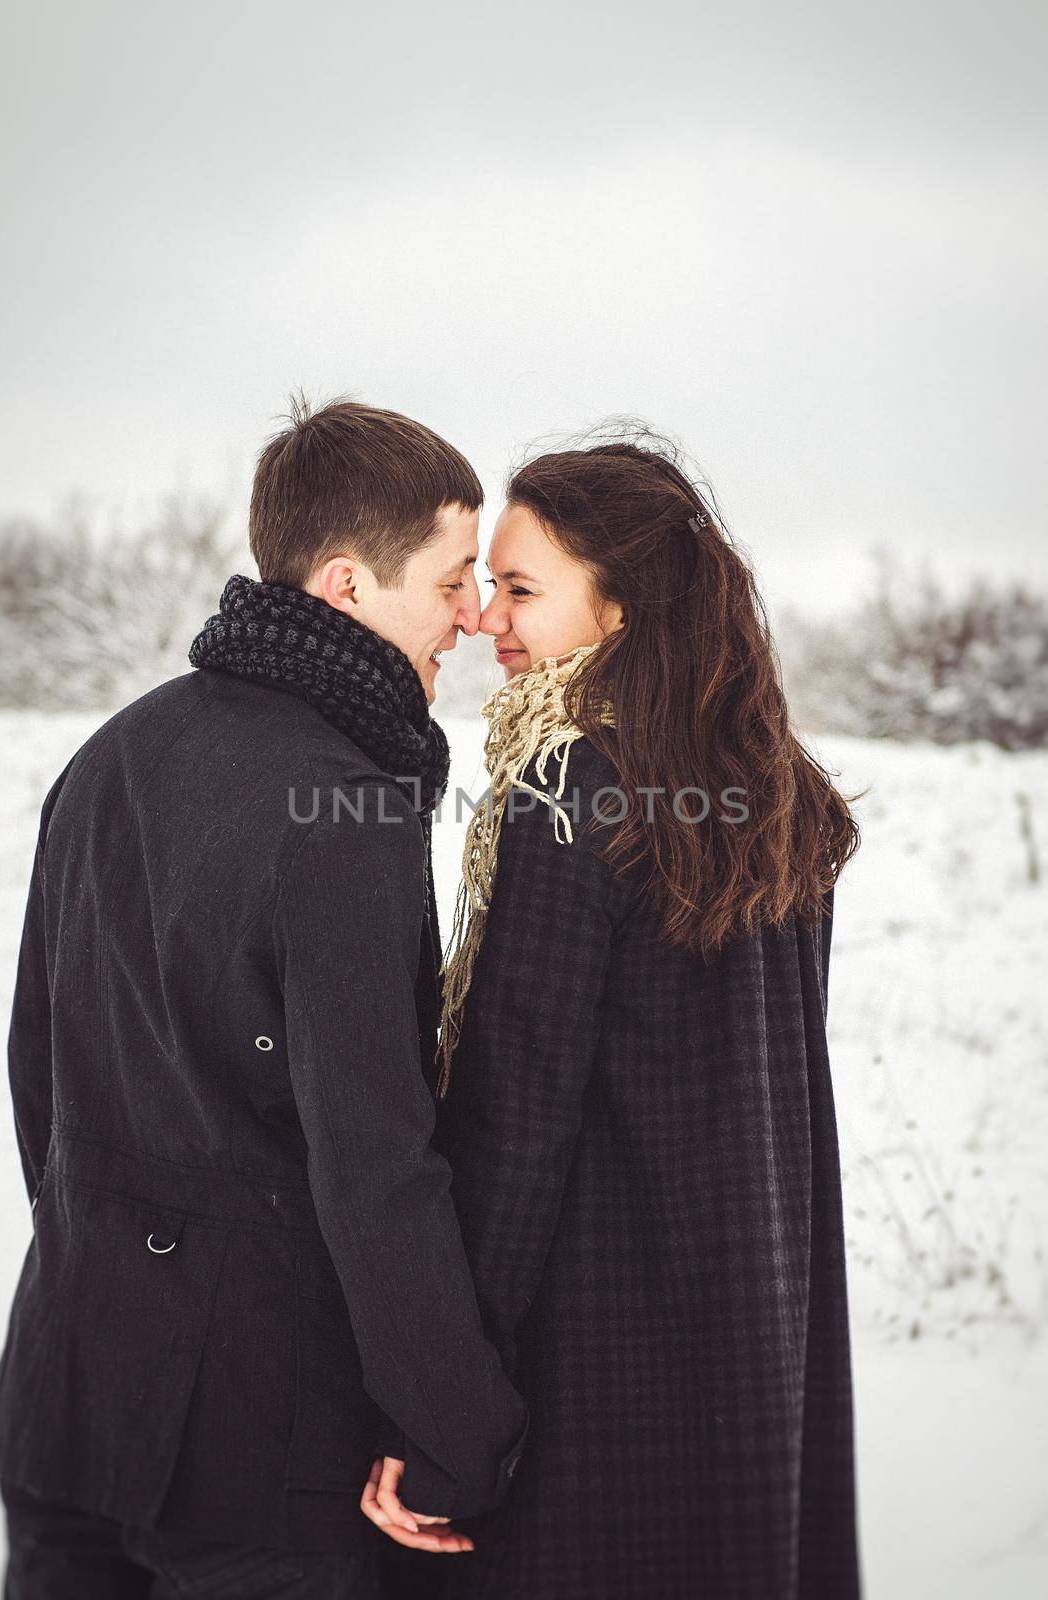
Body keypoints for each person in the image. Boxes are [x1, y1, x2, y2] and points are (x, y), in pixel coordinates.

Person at [0, 398, 527, 1598]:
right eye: (447, 583)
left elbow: (41, 1077)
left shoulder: (110, 752)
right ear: (344, 584)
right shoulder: (344, 810)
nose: (472, 622)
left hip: (68, 1395)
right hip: (252, 1457)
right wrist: (461, 1428)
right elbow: (375, 1163)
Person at [419, 435, 863, 1599]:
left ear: (618, 607)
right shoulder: (770, 785)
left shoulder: (568, 788)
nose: (484, 618)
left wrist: (449, 1395)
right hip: (747, 1332)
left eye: (520, 588)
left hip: (595, 1362)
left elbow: (514, 1125)